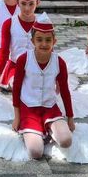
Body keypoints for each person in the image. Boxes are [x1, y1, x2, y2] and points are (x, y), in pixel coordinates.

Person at [11, 17, 74, 160]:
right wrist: (17, 117)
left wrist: (70, 117)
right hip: (29, 108)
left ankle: (49, 129)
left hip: (50, 108)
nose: (44, 44)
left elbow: (65, 91)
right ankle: (35, 133)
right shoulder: (23, 59)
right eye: (39, 39)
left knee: (66, 141)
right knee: (35, 152)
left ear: (54, 42)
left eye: (48, 40)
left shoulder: (59, 62)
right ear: (32, 41)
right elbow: (16, 89)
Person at [0, 0, 41, 92]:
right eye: (23, 3)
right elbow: (4, 53)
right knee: (19, 85)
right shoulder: (9, 23)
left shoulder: (42, 23)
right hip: (15, 68)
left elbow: (50, 52)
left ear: (37, 3)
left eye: (31, 4)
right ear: (17, 3)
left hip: (37, 68)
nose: (27, 8)